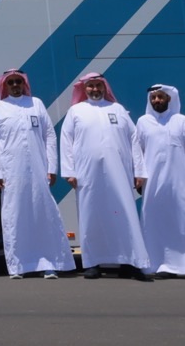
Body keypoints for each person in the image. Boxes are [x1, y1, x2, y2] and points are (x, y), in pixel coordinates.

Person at [61, 72, 151, 279]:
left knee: (124, 214)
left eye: (98, 85)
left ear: (104, 87)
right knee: (91, 215)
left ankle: (130, 262)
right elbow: (66, 141)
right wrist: (69, 171)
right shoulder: (76, 111)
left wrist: (139, 171)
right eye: (91, 86)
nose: (95, 89)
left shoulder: (118, 109)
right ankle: (93, 263)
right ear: (84, 89)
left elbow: (134, 140)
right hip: (87, 174)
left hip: (120, 173)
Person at [0, 71, 70, 278]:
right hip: (11, 172)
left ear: (24, 84)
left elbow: (49, 135)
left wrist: (51, 168)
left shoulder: (36, 104)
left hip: (39, 170)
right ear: (5, 86)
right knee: (15, 217)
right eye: (11, 82)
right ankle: (18, 266)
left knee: (43, 215)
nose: (15, 85)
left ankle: (48, 263)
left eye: (18, 82)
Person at [133, 84, 185, 279]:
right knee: (154, 221)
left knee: (184, 220)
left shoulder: (182, 121)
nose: (156, 100)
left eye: (160, 97)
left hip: (181, 181)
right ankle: (159, 265)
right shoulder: (143, 122)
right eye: (153, 98)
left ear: (169, 99)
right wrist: (138, 175)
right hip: (152, 181)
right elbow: (137, 152)